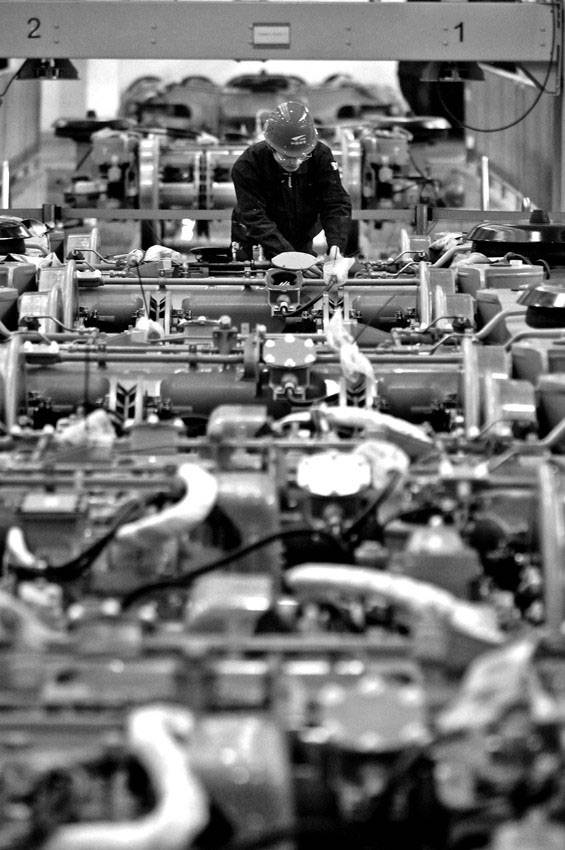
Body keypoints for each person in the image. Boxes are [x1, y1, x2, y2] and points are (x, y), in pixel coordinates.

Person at [230, 101, 353, 273]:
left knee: (301, 291)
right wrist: (290, 258)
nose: (295, 162)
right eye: (286, 156)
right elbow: (255, 217)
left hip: (300, 238)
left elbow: (335, 203)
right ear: (271, 146)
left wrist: (336, 245)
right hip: (255, 244)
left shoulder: (320, 156)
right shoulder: (248, 165)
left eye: (302, 155)